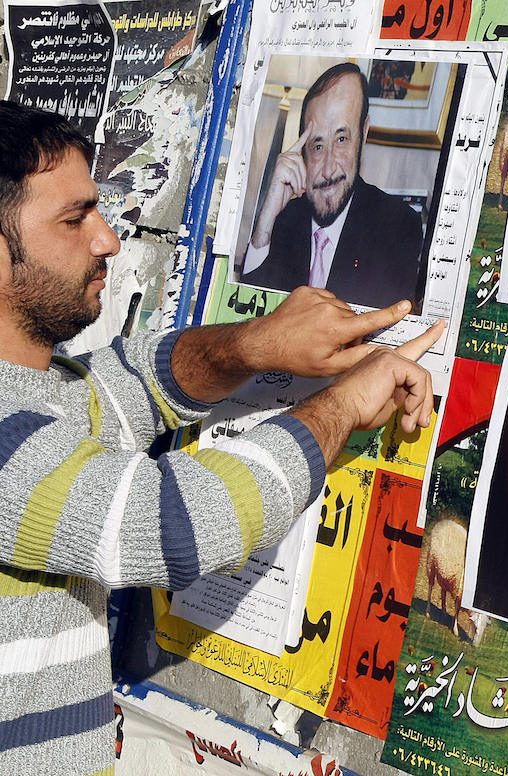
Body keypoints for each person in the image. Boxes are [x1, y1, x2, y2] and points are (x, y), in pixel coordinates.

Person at [0, 100, 441, 771]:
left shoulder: (39, 392)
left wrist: (256, 342)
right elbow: (176, 523)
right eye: (74, 218)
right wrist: (344, 404)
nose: (108, 239)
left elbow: (131, 381)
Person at [241, 62, 424, 309]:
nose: (328, 170)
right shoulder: (284, 221)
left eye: (341, 139)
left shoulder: (398, 227)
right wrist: (265, 222)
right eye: (317, 146)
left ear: (364, 132)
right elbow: (245, 313)